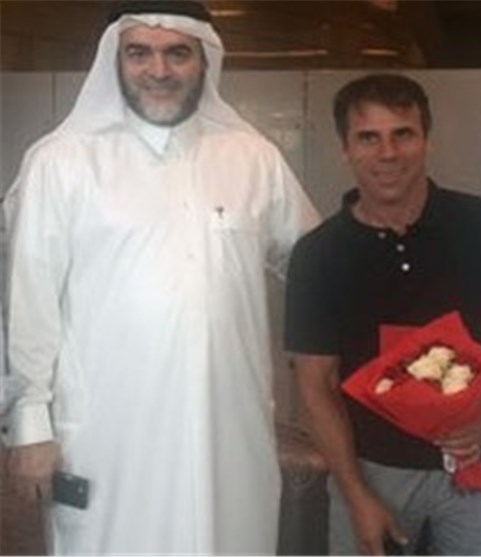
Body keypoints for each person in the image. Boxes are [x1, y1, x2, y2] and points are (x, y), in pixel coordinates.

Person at [0, 1, 319, 553]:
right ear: (116, 60)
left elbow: (316, 265)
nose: (159, 70)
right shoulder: (63, 161)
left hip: (229, 431)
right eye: (139, 53)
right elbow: (31, 300)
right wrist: (30, 424)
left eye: (177, 53)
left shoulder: (253, 158)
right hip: (108, 436)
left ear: (204, 60)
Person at [284, 73, 481, 555]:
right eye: (369, 137)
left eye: (402, 134)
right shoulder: (318, 255)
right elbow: (314, 385)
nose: (387, 153)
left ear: (427, 139)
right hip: (372, 469)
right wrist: (356, 494)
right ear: (345, 149)